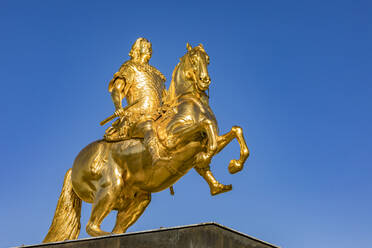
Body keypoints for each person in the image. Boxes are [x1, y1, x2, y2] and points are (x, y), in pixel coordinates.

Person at [104, 37, 169, 164]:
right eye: (145, 47)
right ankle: (156, 157)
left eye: (150, 47)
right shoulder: (131, 67)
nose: (149, 49)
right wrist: (118, 107)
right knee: (148, 127)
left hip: (158, 116)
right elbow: (117, 89)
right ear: (137, 49)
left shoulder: (158, 75)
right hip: (137, 116)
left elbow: (165, 98)